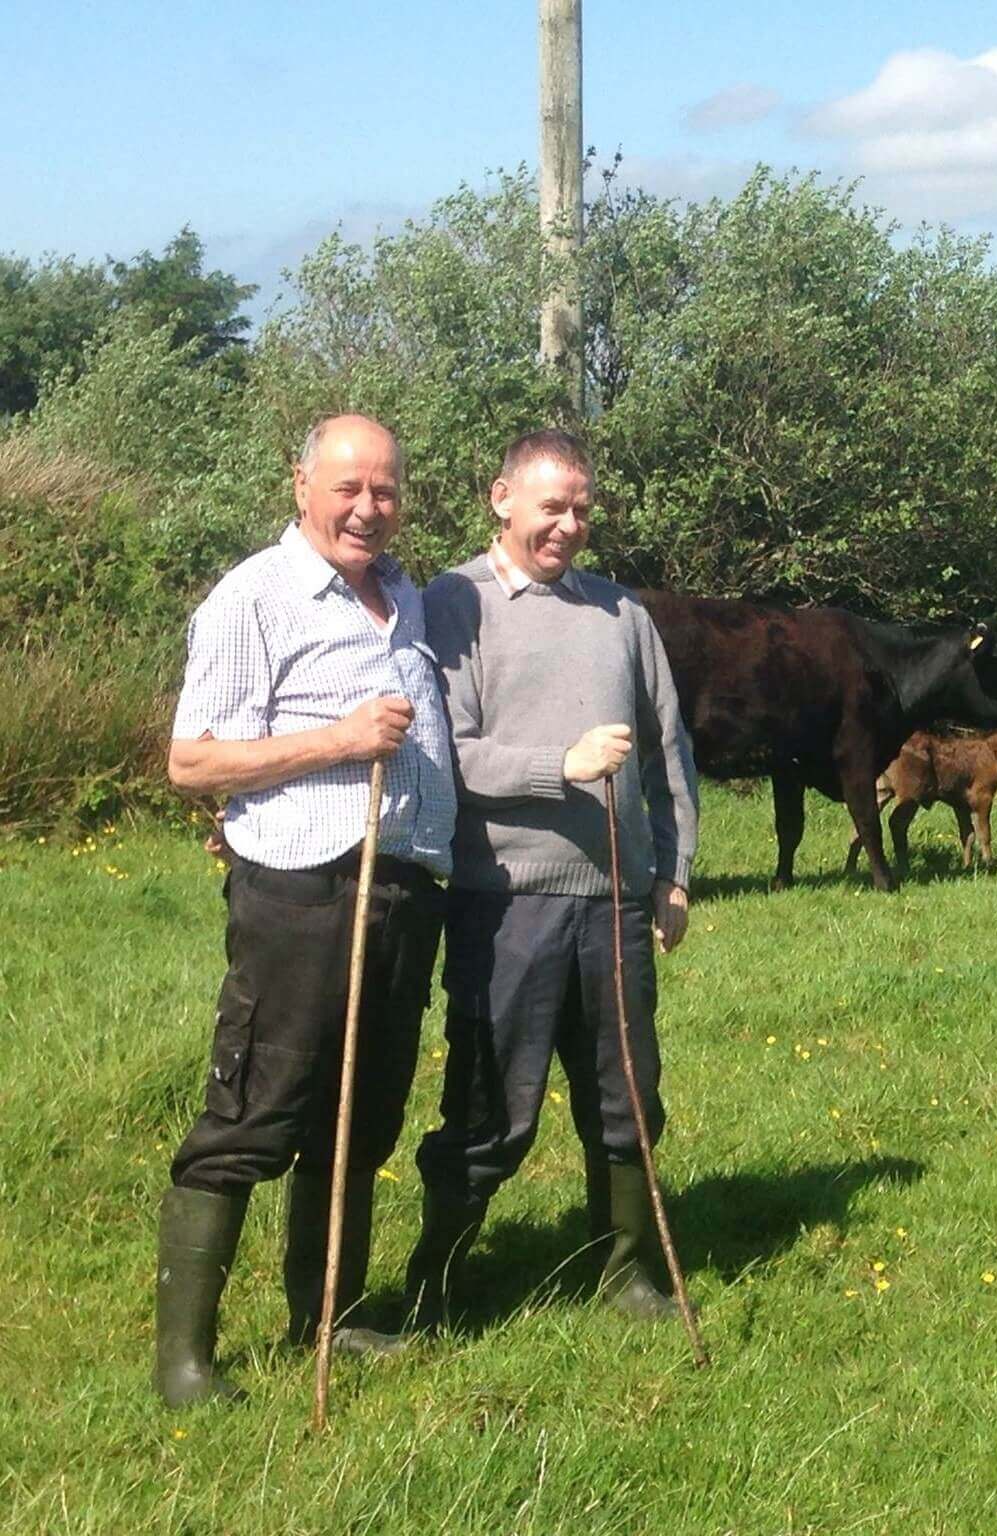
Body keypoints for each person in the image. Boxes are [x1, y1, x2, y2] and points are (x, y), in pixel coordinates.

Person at [155, 413, 454, 1406]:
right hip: (300, 889)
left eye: (385, 489)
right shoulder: (257, 596)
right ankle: (187, 1363)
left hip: (403, 887)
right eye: (348, 488)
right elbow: (192, 759)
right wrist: (337, 740)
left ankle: (330, 1315)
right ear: (302, 487)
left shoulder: (406, 596)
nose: (368, 508)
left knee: (361, 1118)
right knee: (254, 1115)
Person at [405, 427, 698, 1327]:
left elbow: (670, 753)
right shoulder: (453, 602)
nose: (569, 525)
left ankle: (624, 1273)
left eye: (582, 509)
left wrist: (675, 872)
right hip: (505, 901)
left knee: (627, 1098)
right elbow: (442, 753)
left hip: (613, 900)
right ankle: (436, 1284)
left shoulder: (623, 615)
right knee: (495, 1106)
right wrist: (556, 765)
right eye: (551, 508)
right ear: (501, 499)